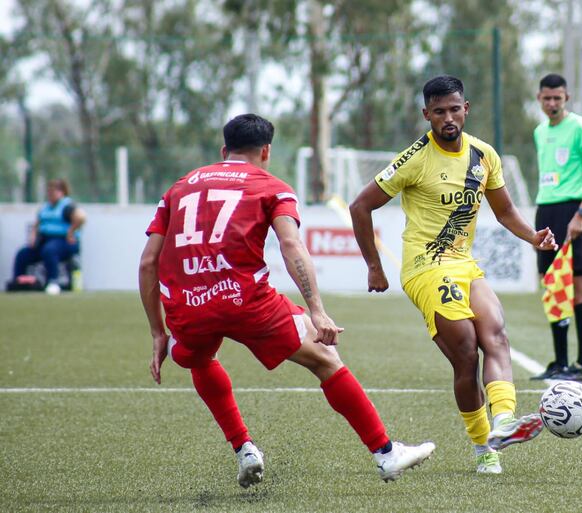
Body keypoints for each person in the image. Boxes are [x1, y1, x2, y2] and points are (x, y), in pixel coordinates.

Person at [138, 114, 435, 488]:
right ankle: (387, 453)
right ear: (266, 151)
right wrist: (317, 311)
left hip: (189, 306)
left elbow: (149, 261)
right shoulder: (272, 186)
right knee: (325, 359)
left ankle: (244, 448)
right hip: (247, 301)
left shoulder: (178, 189)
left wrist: (156, 331)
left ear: (223, 150)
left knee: (200, 359)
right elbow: (291, 244)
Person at [349, 76, 557, 475]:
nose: (448, 117)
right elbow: (360, 206)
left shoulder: (484, 155)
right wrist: (374, 266)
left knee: (495, 332)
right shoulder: (414, 159)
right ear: (426, 114)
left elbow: (505, 210)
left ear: (467, 109)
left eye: (454, 109)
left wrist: (533, 237)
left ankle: (504, 424)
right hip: (425, 267)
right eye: (439, 111)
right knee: (466, 351)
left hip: (464, 263)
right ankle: (483, 449)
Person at [529, 73, 582, 382]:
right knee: (551, 285)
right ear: (539, 99)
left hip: (572, 211)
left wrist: (581, 213)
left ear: (567, 98)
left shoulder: (580, 127)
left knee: (576, 286)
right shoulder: (539, 132)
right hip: (545, 210)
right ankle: (560, 363)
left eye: (557, 98)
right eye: (546, 98)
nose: (552, 104)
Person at [12, 178, 86, 295]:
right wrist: (33, 236)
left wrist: (71, 232)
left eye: (54, 191)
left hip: (64, 242)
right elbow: (37, 224)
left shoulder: (67, 206)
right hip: (45, 240)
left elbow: (81, 218)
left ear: (62, 192)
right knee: (23, 254)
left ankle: (53, 282)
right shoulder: (46, 207)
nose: (50, 194)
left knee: (50, 250)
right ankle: (20, 282)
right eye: (49, 191)